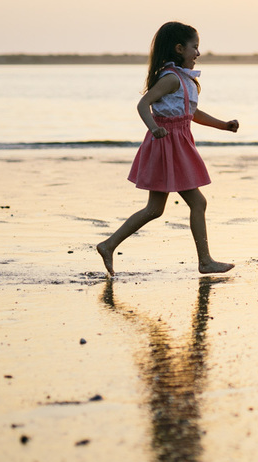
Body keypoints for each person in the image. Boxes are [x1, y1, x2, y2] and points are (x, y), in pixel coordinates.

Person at [97, 21, 239, 275]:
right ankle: (205, 261)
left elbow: (192, 113)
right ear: (178, 48)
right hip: (166, 145)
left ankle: (109, 244)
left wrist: (223, 125)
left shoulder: (184, 80)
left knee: (155, 209)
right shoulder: (171, 78)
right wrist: (154, 129)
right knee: (197, 202)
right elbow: (143, 105)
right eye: (194, 47)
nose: (197, 53)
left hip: (177, 144)